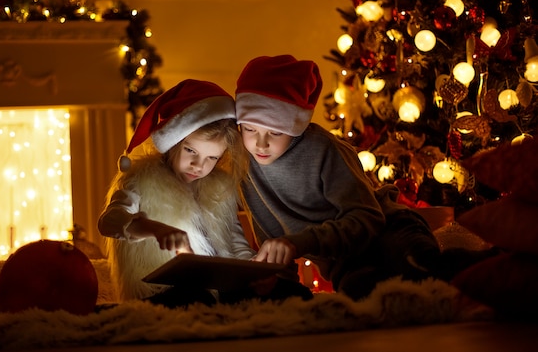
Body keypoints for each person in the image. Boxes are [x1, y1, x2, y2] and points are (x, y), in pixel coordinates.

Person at [235, 55, 444, 300]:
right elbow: (274, 242)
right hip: (344, 263)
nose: (261, 143)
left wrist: (299, 242)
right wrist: (275, 277)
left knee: (426, 273)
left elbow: (367, 218)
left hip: (390, 232)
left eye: (275, 131)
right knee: (367, 297)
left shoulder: (324, 149)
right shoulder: (244, 165)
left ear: (296, 125)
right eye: (249, 129)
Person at [98, 79, 311, 308]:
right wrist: (153, 229)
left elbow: (236, 247)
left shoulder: (220, 188)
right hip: (162, 291)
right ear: (173, 142)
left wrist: (254, 273)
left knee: (295, 294)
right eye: (191, 151)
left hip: (219, 289)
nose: (198, 166)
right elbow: (109, 222)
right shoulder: (141, 179)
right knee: (196, 298)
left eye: (212, 158)